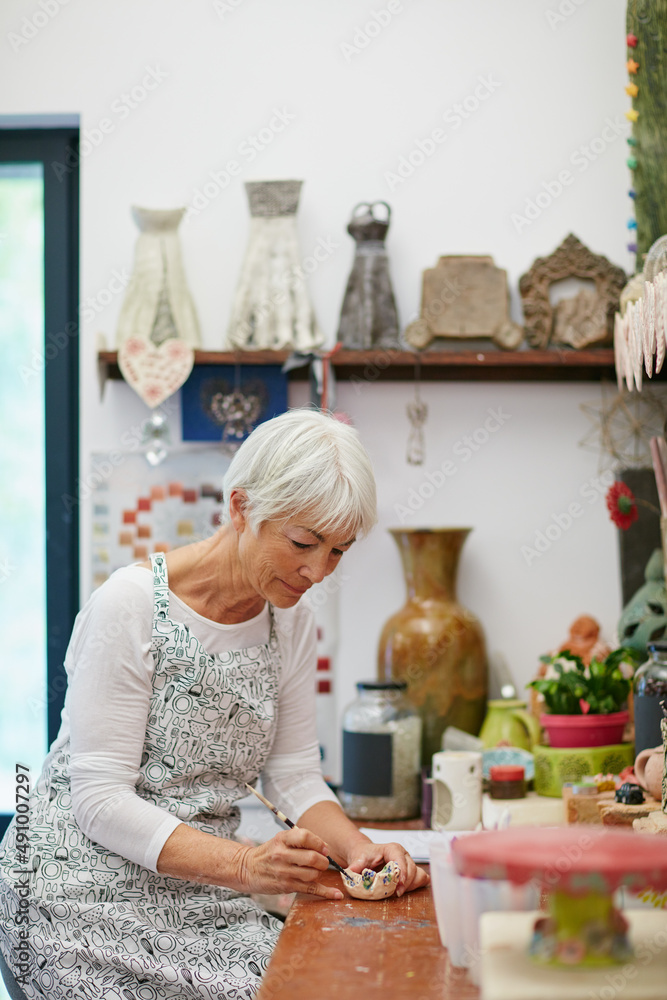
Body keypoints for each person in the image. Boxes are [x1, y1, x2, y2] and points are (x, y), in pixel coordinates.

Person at [0, 407, 428, 1000]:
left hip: (204, 889)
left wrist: (358, 850)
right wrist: (248, 867)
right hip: (77, 893)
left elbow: (295, 774)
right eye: (303, 542)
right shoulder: (131, 606)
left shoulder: (291, 623)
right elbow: (98, 801)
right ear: (240, 507)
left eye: (338, 550)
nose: (316, 571)